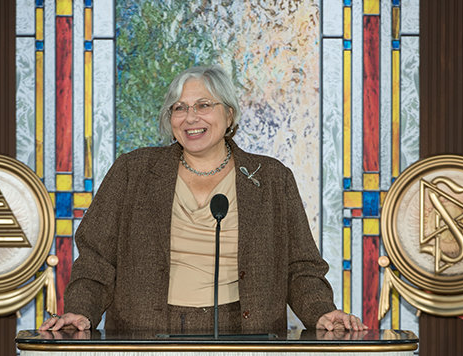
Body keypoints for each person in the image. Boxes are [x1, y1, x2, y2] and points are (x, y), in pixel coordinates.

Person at [39, 65, 365, 335]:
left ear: (229, 114)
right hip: (145, 336)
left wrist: (321, 311)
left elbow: (301, 268)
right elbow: (96, 260)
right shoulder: (132, 171)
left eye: (204, 105)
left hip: (246, 336)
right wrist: (81, 311)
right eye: (179, 108)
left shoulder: (271, 178)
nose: (190, 117)